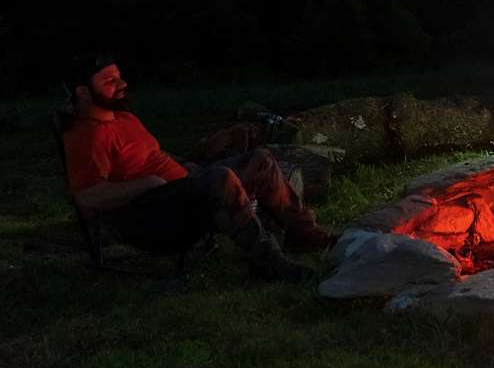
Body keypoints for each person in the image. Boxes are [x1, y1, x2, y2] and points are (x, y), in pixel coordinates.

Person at [62, 55, 332, 282]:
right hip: (156, 216)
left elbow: (153, 155)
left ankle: (303, 233)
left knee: (259, 160)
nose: (122, 84)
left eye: (119, 76)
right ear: (83, 91)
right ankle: (267, 261)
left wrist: (191, 160)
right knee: (221, 178)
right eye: (109, 81)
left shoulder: (124, 118)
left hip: (184, 189)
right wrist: (148, 184)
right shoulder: (88, 135)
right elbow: (87, 196)